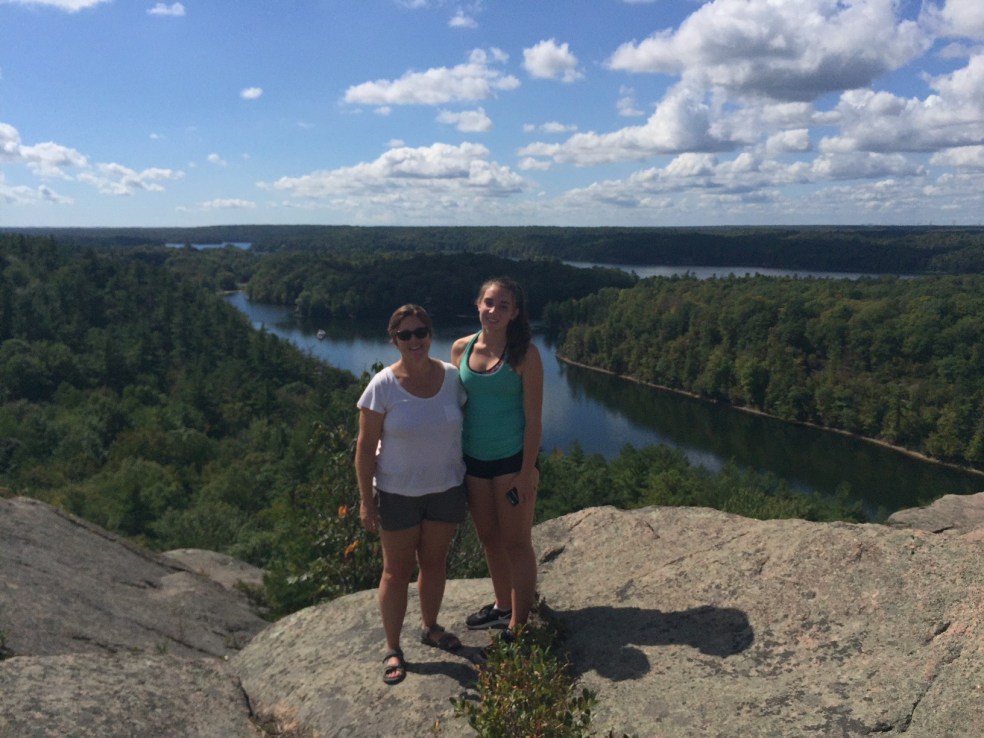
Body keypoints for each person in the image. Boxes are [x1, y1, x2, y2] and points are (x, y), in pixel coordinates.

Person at [355, 304, 468, 686]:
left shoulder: (452, 378)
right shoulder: (382, 386)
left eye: (420, 332)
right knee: (396, 571)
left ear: (430, 335)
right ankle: (392, 647)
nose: (414, 340)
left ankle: (430, 627)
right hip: (397, 492)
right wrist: (366, 501)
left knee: (434, 563)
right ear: (394, 340)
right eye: (405, 334)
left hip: (446, 488)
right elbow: (364, 448)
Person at [451, 277, 543, 638]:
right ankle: (503, 607)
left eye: (504, 306)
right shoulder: (461, 349)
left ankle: (519, 625)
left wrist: (526, 472)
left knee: (516, 543)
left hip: (510, 461)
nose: (494, 311)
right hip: (474, 461)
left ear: (515, 313)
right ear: (478, 304)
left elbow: (534, 419)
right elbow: (454, 408)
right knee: (489, 538)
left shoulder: (525, 355)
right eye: (489, 302)